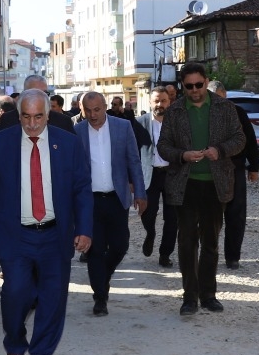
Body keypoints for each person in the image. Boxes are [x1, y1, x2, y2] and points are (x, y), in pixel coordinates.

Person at [0, 89, 92, 355]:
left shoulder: (68, 143)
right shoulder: (1, 143)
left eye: (39, 116)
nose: (33, 123)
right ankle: (15, 346)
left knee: (53, 299)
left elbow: (82, 189)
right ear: (19, 115)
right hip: (16, 235)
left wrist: (85, 229)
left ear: (48, 115)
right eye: (26, 116)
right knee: (15, 294)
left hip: (55, 234)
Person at [156, 63, 244, 316]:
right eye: (189, 86)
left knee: (210, 241)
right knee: (186, 241)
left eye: (199, 85)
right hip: (185, 185)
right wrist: (183, 154)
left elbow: (240, 139)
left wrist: (220, 150)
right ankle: (189, 297)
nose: (194, 90)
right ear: (182, 86)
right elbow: (163, 147)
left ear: (206, 81)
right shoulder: (175, 112)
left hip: (216, 185)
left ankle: (208, 294)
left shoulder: (225, 107)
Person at [76, 91, 146, 316]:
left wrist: (141, 193)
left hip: (117, 198)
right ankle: (100, 297)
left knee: (120, 246)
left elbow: (134, 161)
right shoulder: (76, 132)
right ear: (82, 110)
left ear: (105, 107)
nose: (93, 114)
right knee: (95, 250)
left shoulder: (122, 127)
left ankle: (103, 276)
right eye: (88, 110)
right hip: (90, 201)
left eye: (97, 109)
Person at [209, 80, 259, 270]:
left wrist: (253, 167)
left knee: (236, 214)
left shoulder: (238, 113)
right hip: (211, 170)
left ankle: (232, 257)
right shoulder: (203, 115)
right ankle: (210, 253)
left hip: (234, 168)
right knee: (211, 215)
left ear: (226, 96)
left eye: (220, 98)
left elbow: (250, 140)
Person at [139, 88, 177, 265]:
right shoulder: (139, 123)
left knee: (172, 217)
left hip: (172, 174)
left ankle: (165, 254)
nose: (159, 104)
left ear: (169, 102)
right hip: (150, 174)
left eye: (163, 101)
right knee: (148, 213)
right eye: (156, 101)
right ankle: (150, 233)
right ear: (150, 102)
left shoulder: (178, 123)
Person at [0, 74, 75, 133]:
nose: (40, 97)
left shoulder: (63, 122)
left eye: (44, 93)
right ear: (24, 94)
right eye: (35, 93)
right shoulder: (7, 120)